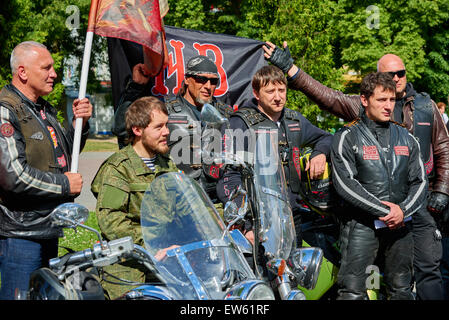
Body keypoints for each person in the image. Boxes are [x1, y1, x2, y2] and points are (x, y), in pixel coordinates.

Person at [264, 41, 449, 300]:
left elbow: (443, 146)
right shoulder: (357, 115)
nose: (396, 80)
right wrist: (292, 70)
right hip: (367, 215)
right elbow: (327, 95)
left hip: (414, 207)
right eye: (389, 76)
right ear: (367, 98)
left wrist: (441, 189)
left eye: (401, 73)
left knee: (426, 272)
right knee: (358, 287)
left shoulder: (425, 106)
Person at [0, 41, 92, 300]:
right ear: (23, 72)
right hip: (21, 234)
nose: (54, 73)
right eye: (46, 67)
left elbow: (63, 156)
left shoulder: (43, 109)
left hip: (47, 227)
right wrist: (64, 185)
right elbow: (13, 176)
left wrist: (79, 125)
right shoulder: (6, 110)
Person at [330, 72, 427, 299]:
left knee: (402, 290)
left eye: (392, 100)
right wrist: (385, 211)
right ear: (364, 100)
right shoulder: (347, 136)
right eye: (381, 100)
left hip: (401, 226)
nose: (388, 106)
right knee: (353, 292)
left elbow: (420, 182)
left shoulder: (407, 137)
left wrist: (401, 211)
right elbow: (345, 184)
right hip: (361, 226)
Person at [216, 65, 333, 246]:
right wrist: (244, 224)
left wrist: (319, 154)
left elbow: (327, 138)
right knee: (261, 273)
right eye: (270, 91)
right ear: (256, 93)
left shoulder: (294, 120)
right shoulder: (238, 124)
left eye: (281, 90)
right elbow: (229, 178)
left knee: (294, 272)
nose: (278, 97)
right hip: (256, 219)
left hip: (293, 217)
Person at [112, 56, 235, 203]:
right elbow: (122, 129)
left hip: (217, 201)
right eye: (201, 79)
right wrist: (136, 88)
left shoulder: (225, 113)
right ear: (187, 80)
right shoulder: (165, 110)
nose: (208, 86)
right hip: (175, 198)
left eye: (213, 81)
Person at [91, 96, 178, 299]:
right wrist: (152, 245)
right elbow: (111, 220)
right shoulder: (118, 168)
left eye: (166, 125)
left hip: (168, 258)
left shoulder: (165, 163)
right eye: (159, 127)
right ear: (138, 130)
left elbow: (186, 205)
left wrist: (221, 219)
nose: (166, 132)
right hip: (128, 264)